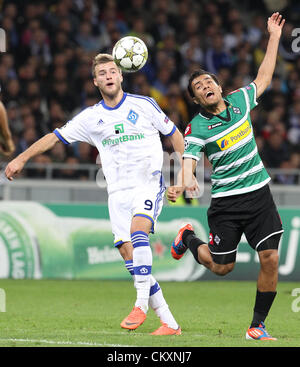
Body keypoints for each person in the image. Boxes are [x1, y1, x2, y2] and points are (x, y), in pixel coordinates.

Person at [5, 53, 184, 336]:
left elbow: (175, 135)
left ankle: (140, 305)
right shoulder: (91, 117)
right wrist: (22, 158)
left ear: (121, 75)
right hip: (117, 192)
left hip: (147, 183)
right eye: (102, 73)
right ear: (95, 81)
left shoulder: (145, 105)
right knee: (129, 254)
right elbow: (55, 136)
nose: (109, 76)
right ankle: (170, 322)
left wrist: (183, 176)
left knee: (139, 231)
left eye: (113, 71)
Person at [167, 12, 285, 341]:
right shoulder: (197, 127)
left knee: (270, 258)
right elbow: (188, 158)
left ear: (219, 87)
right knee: (221, 267)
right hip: (227, 203)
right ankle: (188, 237)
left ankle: (256, 326)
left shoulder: (240, 101)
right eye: (198, 87)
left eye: (209, 82)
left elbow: (263, 77)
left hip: (259, 195)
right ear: (195, 99)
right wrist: (186, 180)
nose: (206, 87)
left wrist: (274, 38)